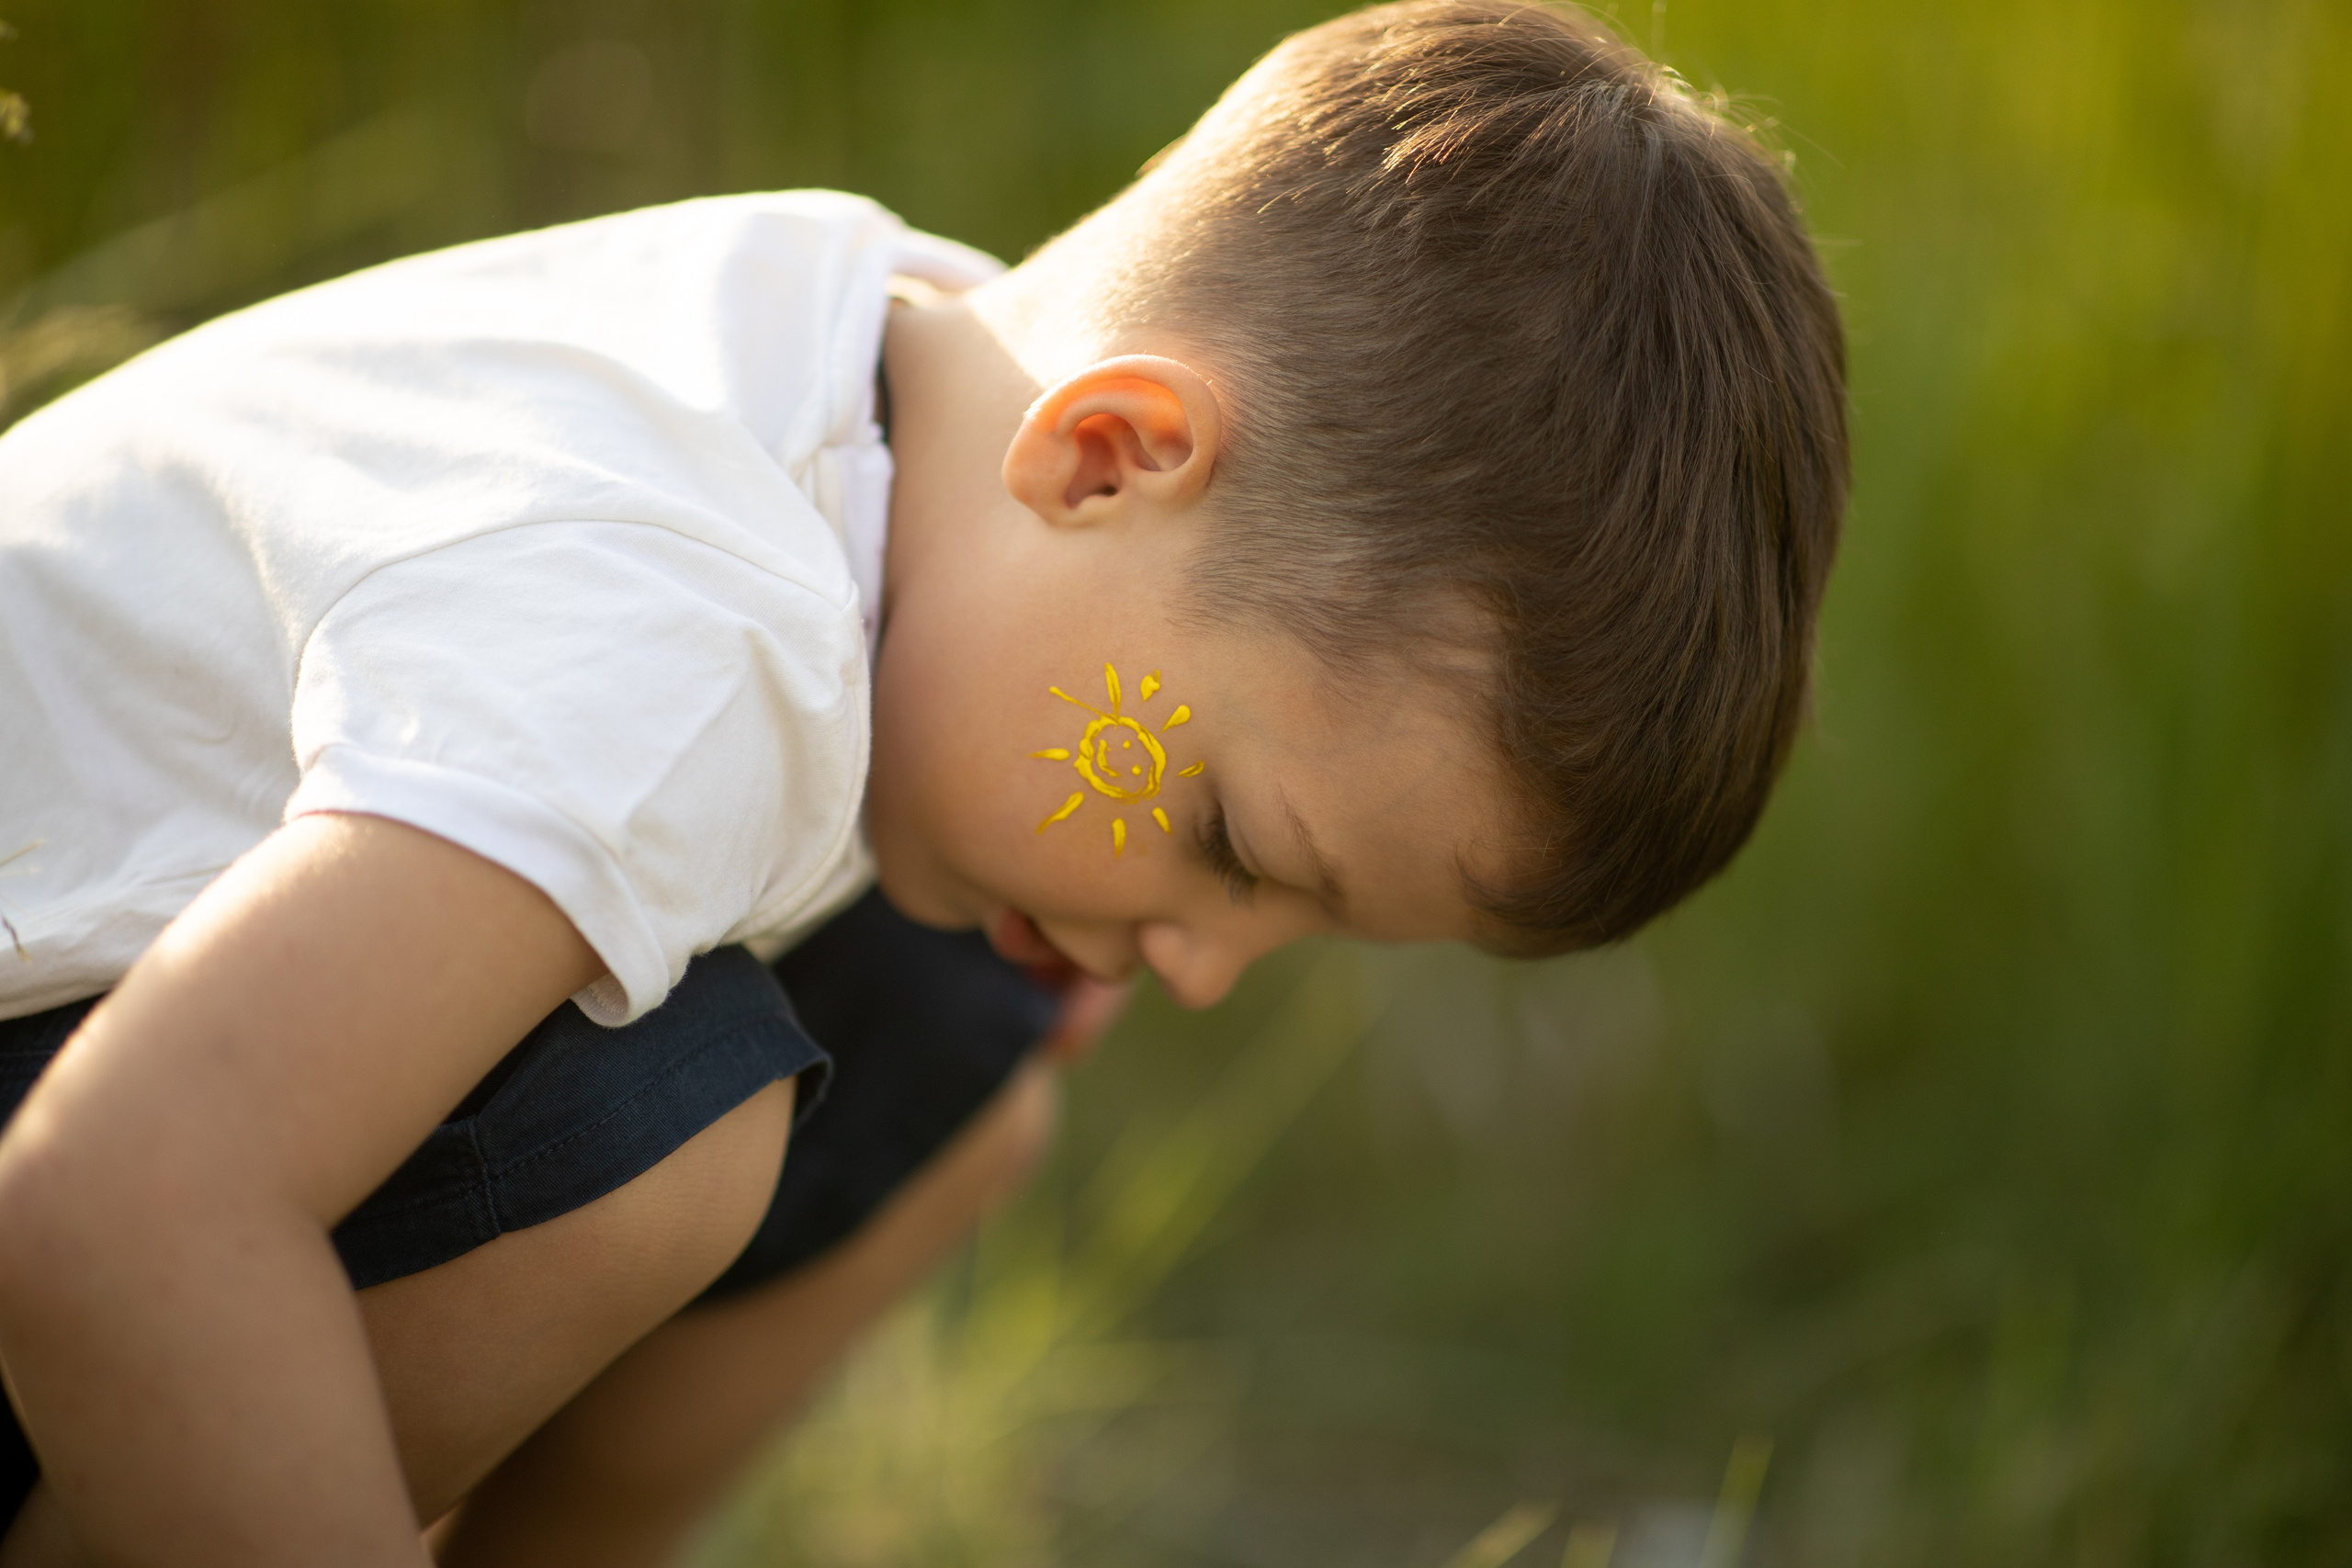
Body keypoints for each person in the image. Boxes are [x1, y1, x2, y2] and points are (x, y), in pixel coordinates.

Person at [0, 0, 1847, 1562]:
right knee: (677, 1132)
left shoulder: (885, 339)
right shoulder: (684, 625)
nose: (1200, 966)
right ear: (1105, 457)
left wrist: (1095, 871)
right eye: (1229, 842)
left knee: (949, 1055)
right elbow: (118, 1203)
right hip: (101, 1180)